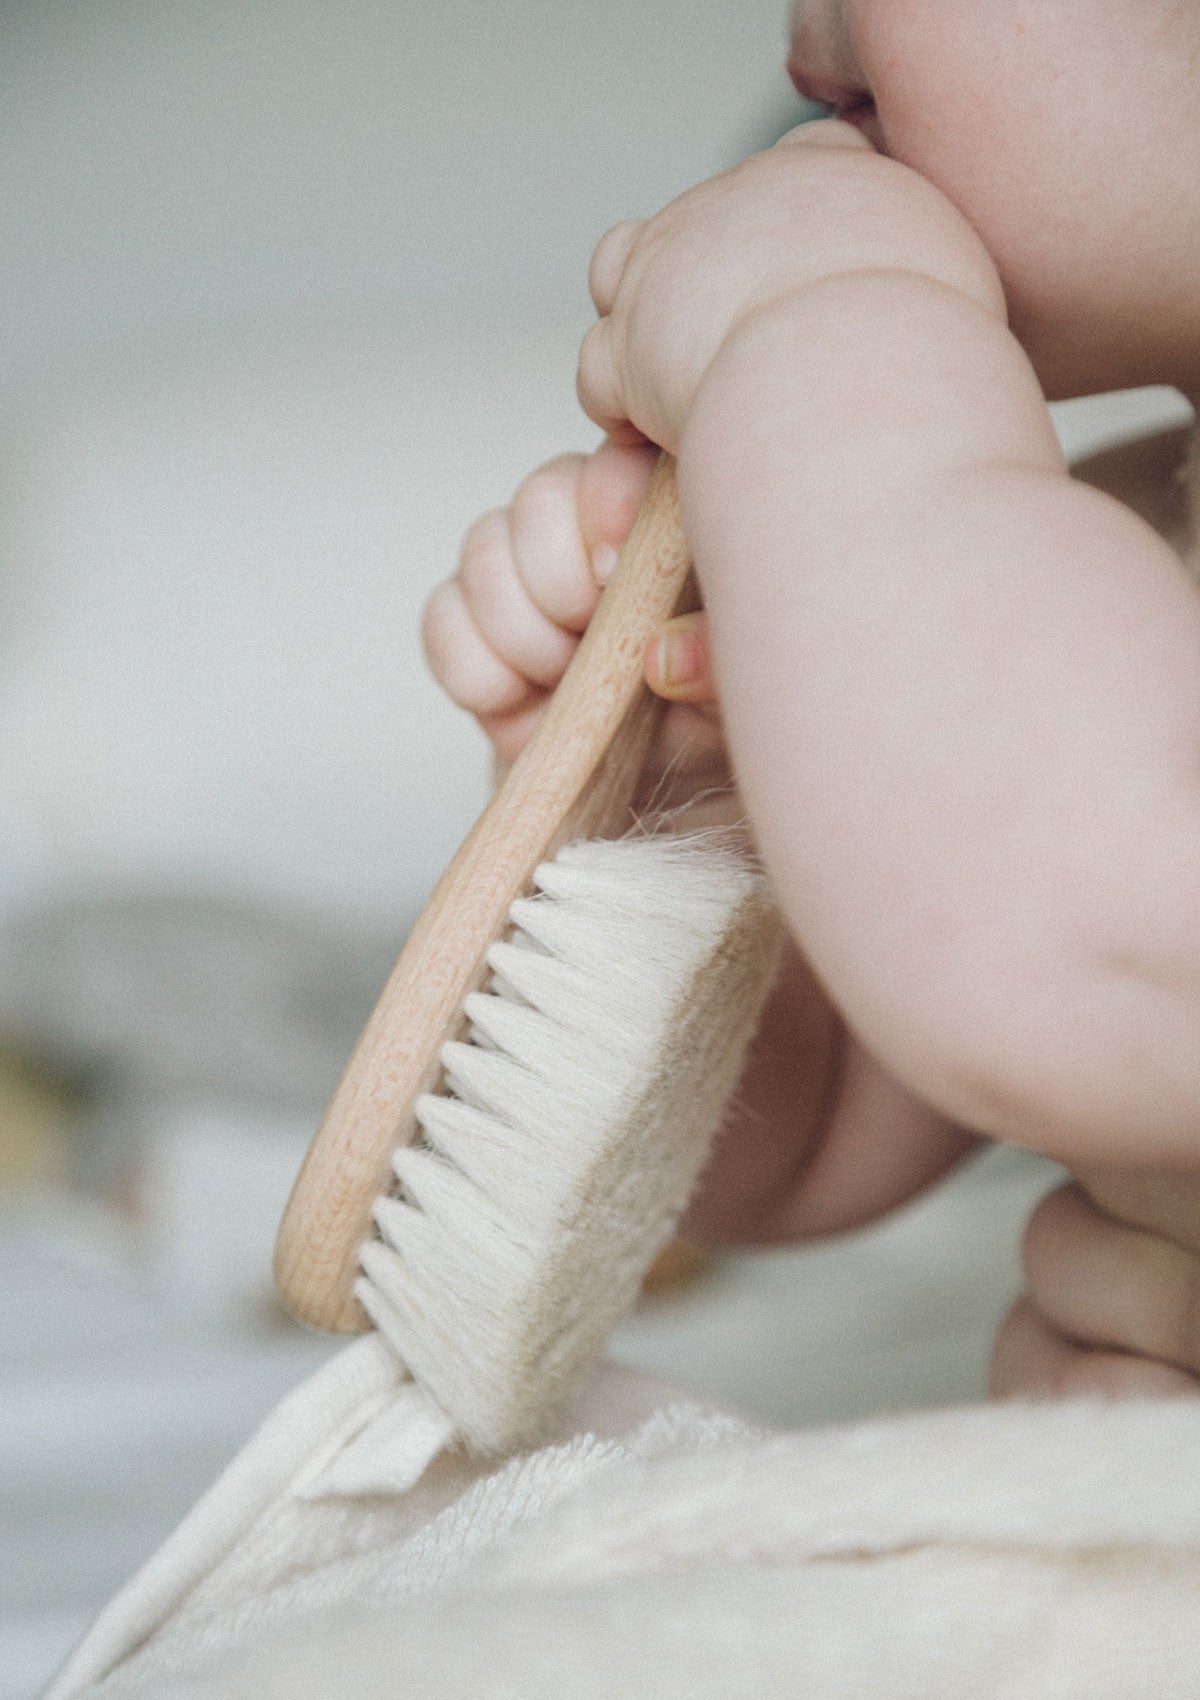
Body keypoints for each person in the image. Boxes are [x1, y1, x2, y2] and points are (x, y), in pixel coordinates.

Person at [423, 0, 1200, 1401]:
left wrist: (817, 339)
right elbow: (806, 1146)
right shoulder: (1135, 538)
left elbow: (1103, 952)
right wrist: (696, 815)